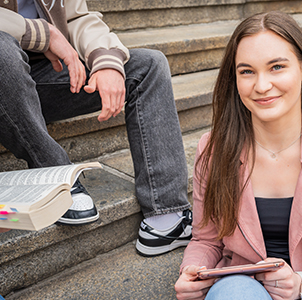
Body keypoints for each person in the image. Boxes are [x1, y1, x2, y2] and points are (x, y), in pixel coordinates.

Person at [174, 11, 302, 300]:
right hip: (244, 288)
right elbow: (206, 240)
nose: (261, 86)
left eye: (276, 67)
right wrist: (193, 271)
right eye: (247, 71)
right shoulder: (213, 151)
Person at [0, 0, 192, 256]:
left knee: (148, 65)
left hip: (40, 75)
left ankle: (167, 218)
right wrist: (40, 33)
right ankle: (55, 176)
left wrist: (107, 62)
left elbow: (77, 18)